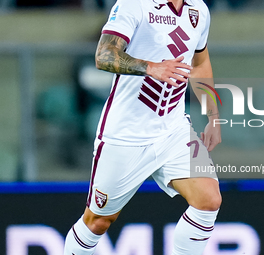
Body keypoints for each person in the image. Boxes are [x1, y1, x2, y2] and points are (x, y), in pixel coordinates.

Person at [64, 0, 222, 254]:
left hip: (173, 129)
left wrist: (213, 116)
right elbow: (103, 55)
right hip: (126, 133)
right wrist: (151, 68)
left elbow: (200, 63)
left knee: (209, 199)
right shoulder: (134, 4)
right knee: (98, 222)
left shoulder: (199, 10)